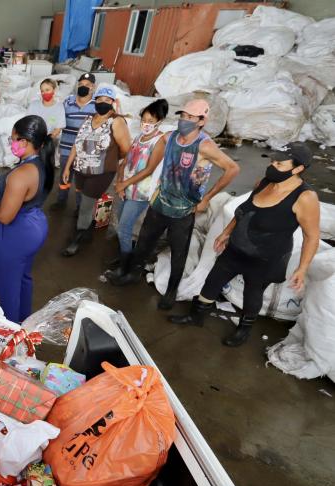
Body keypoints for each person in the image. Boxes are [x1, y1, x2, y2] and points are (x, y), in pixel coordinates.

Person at [168, 142, 320, 346]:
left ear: (298, 168)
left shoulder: (305, 197)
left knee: (253, 293)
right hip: (236, 249)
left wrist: (302, 268)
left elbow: (312, 236)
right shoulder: (265, 182)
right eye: (273, 161)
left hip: (265, 258)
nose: (273, 166)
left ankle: (244, 330)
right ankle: (196, 317)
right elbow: (245, 210)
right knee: (213, 281)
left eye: (280, 164)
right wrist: (226, 232)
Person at [110, 99, 241, 311]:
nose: (184, 121)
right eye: (183, 116)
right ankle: (133, 274)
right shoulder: (169, 137)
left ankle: (171, 292)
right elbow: (154, 163)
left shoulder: (204, 145)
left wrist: (206, 198)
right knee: (144, 243)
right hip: (160, 204)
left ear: (201, 121)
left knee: (179, 253)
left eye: (190, 117)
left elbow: (232, 169)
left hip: (183, 210)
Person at [0, 115, 53, 322]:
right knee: (23, 277)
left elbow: (5, 217)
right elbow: (22, 195)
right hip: (34, 223)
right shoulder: (39, 163)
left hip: (16, 233)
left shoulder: (21, 174)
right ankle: (24, 322)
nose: (11, 143)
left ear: (24, 142)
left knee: (8, 286)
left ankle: (10, 332)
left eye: (13, 138)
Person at [61, 85, 132, 257]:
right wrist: (68, 166)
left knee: (85, 205)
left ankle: (77, 239)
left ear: (113, 102)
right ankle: (87, 230)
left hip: (101, 172)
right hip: (81, 169)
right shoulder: (88, 119)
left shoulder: (116, 121)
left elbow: (126, 148)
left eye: (106, 100)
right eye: (99, 100)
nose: (102, 103)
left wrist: (110, 158)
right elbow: (77, 144)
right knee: (85, 201)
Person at [105, 99, 169, 278]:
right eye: (144, 120)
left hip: (140, 192)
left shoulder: (159, 142)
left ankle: (125, 267)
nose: (146, 124)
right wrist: (119, 179)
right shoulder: (139, 137)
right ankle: (126, 255)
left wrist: (124, 183)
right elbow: (126, 159)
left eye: (150, 121)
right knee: (120, 222)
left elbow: (149, 169)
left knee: (124, 228)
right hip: (125, 188)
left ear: (159, 121)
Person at [53, 72, 97, 211]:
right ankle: (61, 200)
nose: (83, 87)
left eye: (87, 85)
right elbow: (57, 119)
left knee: (80, 180)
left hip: (85, 150)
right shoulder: (68, 101)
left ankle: (79, 206)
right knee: (64, 176)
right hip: (66, 146)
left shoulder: (97, 105)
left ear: (93, 87)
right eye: (81, 84)